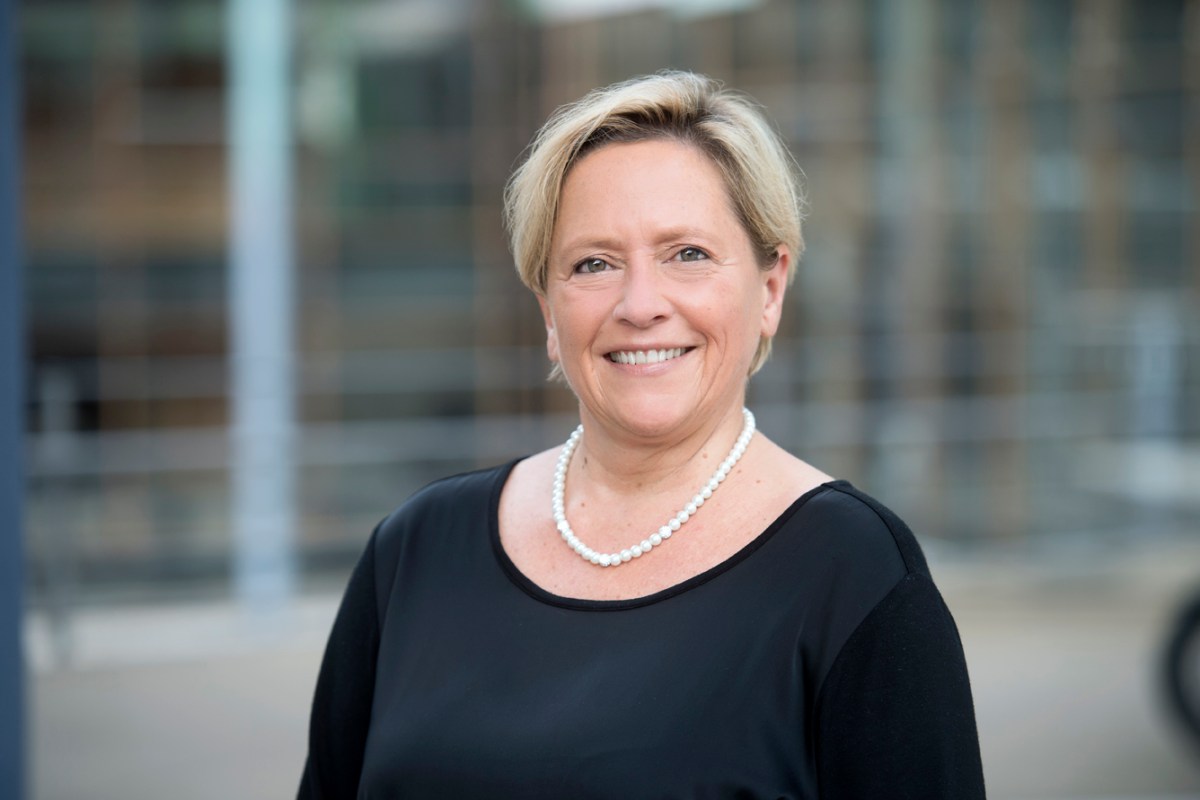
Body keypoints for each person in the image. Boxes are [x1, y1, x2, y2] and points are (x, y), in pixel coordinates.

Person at [298, 71, 986, 799]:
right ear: (549, 312)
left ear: (770, 289)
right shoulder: (415, 551)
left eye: (687, 254)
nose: (640, 305)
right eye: (593, 264)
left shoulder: (854, 575)